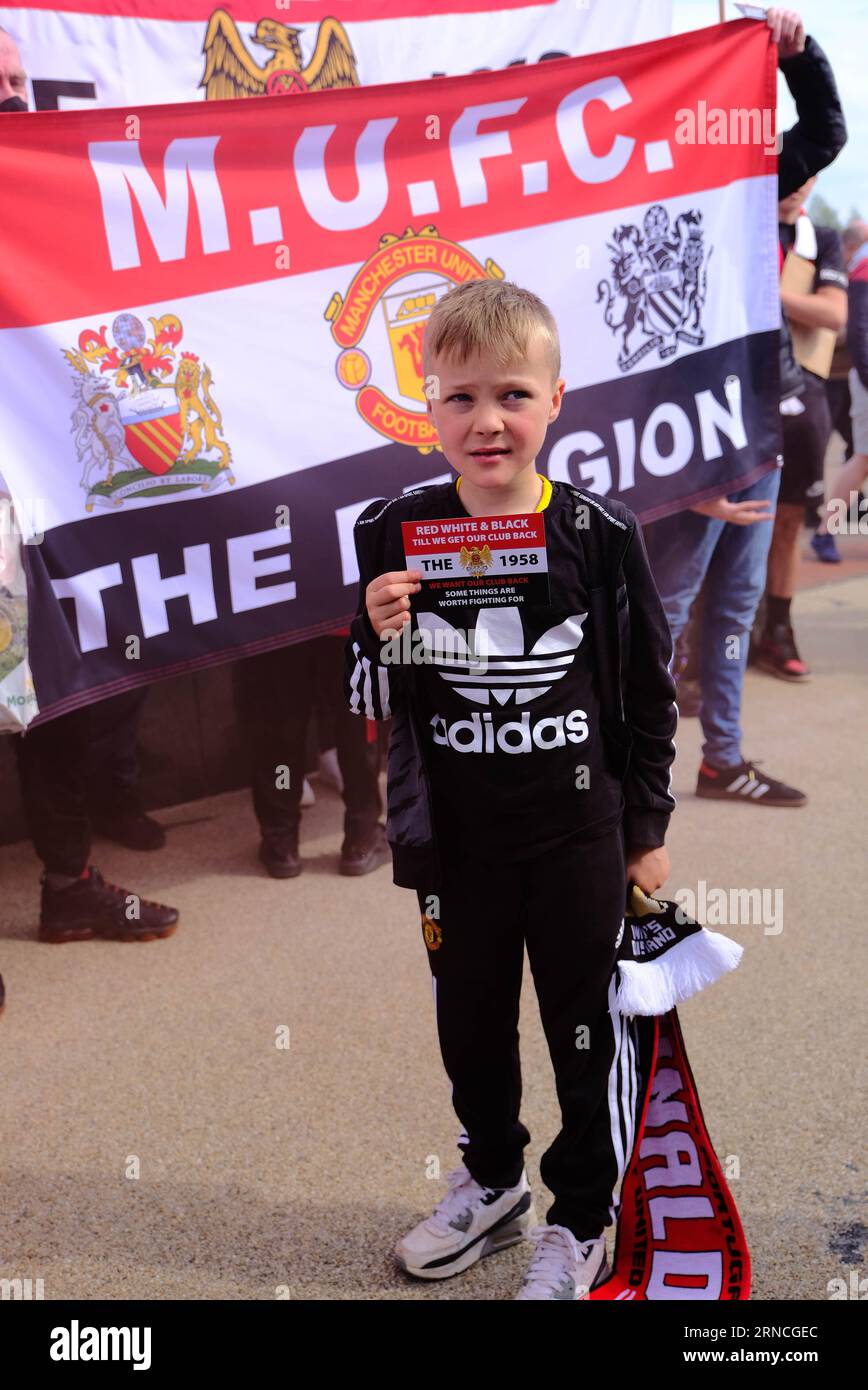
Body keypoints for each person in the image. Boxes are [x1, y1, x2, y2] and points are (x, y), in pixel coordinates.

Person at [343, 278, 677, 1300]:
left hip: (577, 834)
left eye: (512, 395)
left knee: (586, 1027)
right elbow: (363, 695)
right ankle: (492, 1182)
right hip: (455, 840)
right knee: (470, 1024)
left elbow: (646, 689)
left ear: (556, 399)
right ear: (426, 407)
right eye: (459, 398)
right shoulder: (390, 530)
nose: (487, 421)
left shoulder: (599, 530)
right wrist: (374, 629)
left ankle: (581, 1216)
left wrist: (646, 832)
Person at [1, 25, 179, 944]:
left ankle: (69, 883)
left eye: (18, 82)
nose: (13, 101)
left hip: (43, 502)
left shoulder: (44, 198)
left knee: (55, 697)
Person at [643, 6, 846, 809]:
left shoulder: (755, 178)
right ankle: (635, 776)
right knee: (667, 608)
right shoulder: (636, 196)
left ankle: (722, 759)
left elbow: (826, 130)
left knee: (733, 605)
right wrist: (681, 463)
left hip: (760, 426)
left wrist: (802, 53)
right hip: (684, 438)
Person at [755, 181, 847, 679]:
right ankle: (713, 640)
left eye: (808, 175)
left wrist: (772, 294)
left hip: (802, 395)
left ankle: (779, 630)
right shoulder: (741, 219)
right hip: (738, 389)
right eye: (788, 174)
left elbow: (834, 314)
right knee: (736, 520)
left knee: (788, 522)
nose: (796, 186)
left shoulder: (821, 239)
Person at [233, 634, 389, 878]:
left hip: (275, 617)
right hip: (342, 614)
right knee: (355, 718)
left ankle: (281, 841)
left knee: (279, 725)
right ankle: (362, 837)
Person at [812, 219, 868, 560]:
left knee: (855, 455)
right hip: (837, 378)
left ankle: (837, 525)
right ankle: (824, 529)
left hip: (846, 376)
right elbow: (859, 331)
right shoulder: (859, 270)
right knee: (857, 458)